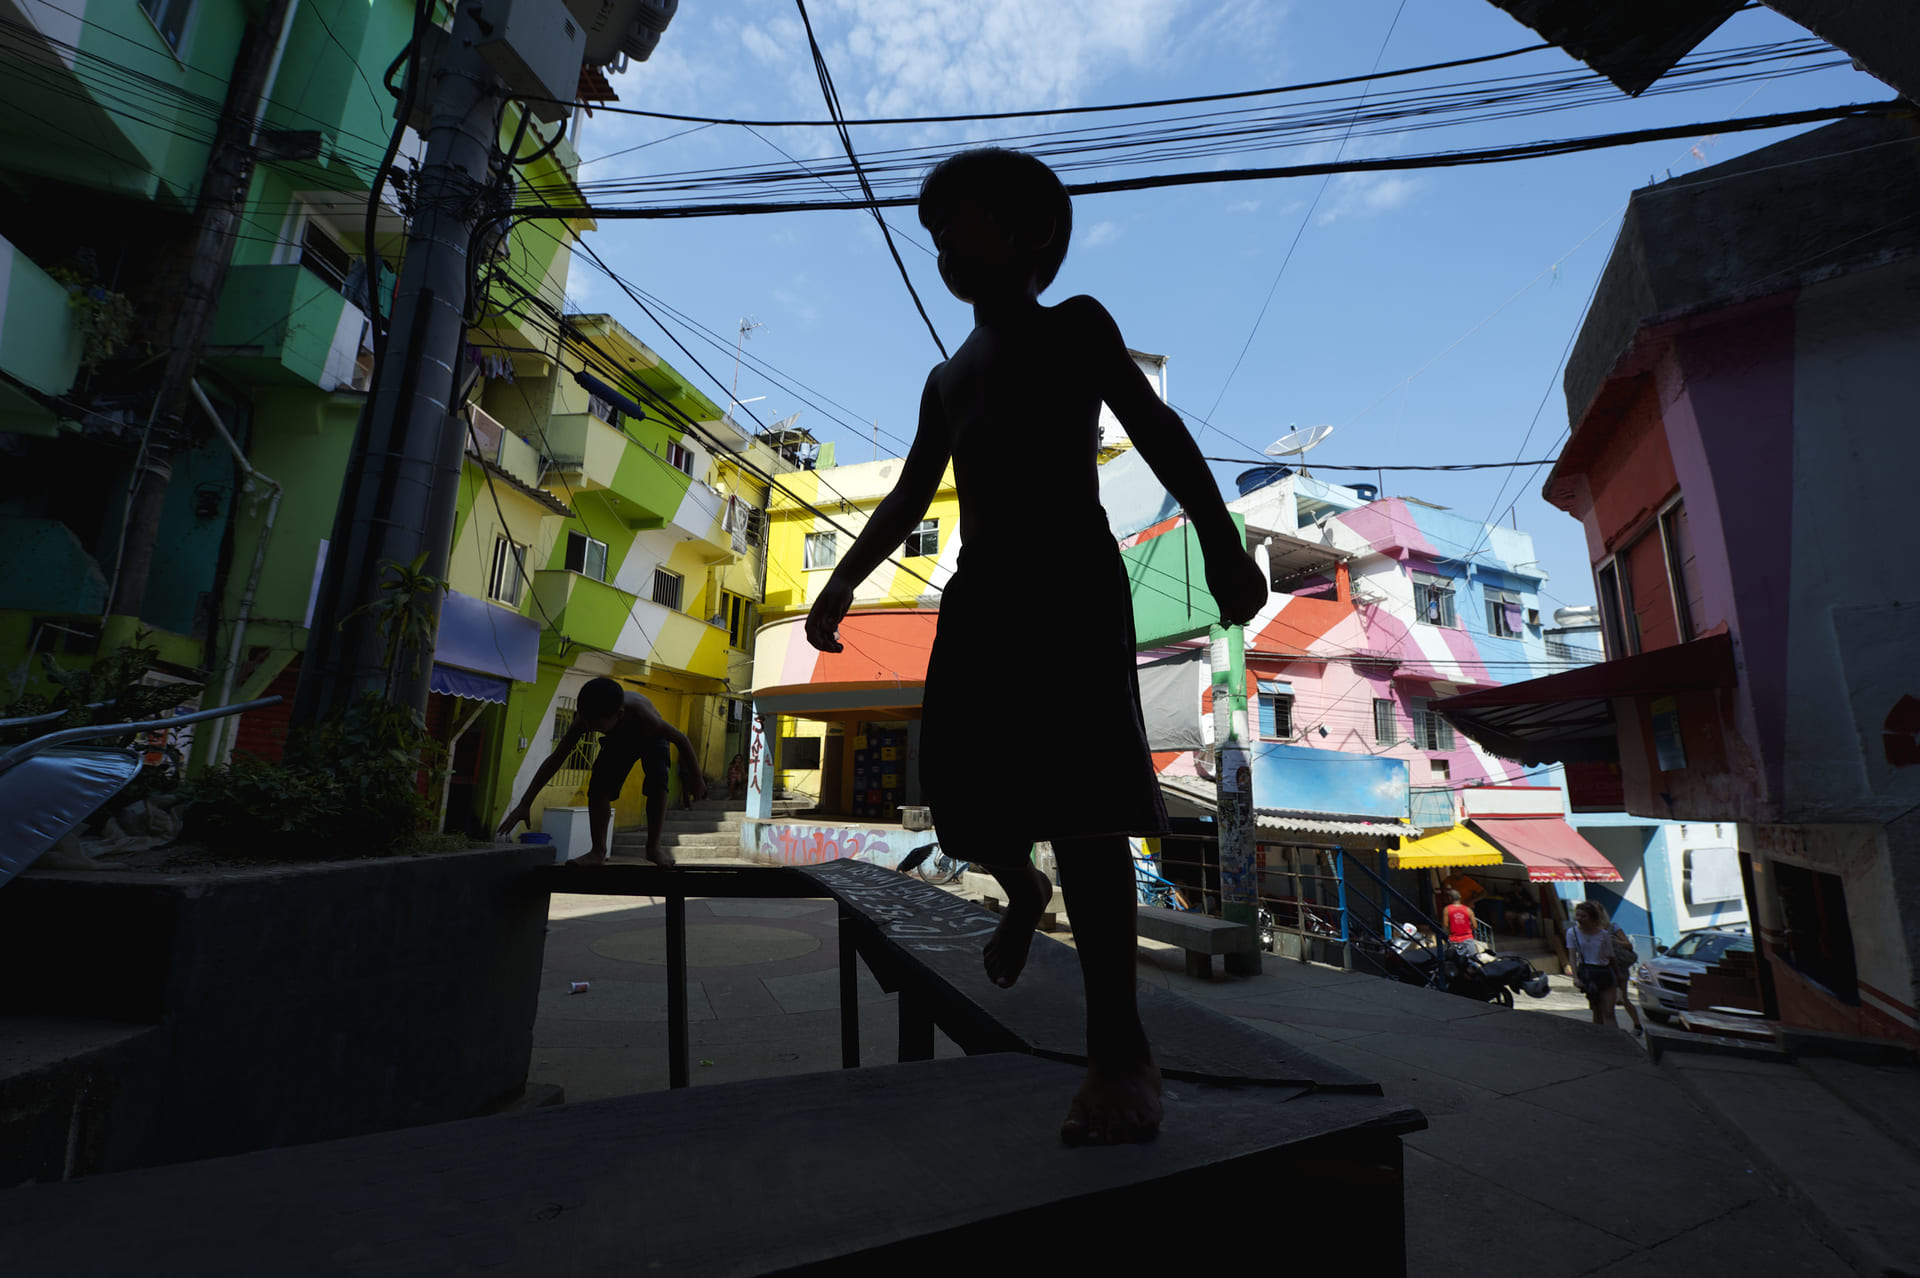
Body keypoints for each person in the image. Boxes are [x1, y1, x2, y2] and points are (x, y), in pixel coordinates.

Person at [804, 148, 1266, 1146]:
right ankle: (1022, 887)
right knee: (963, 798)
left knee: (1087, 808)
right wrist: (843, 578)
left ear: (1023, 235)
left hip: (1068, 584)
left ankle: (1118, 1054)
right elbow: (909, 495)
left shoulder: (1078, 327)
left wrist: (1222, 542)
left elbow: (1159, 430)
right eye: (932, 233)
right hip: (981, 597)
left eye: (957, 223)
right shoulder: (947, 378)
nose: (940, 245)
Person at [496, 678, 705, 866]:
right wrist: (526, 802)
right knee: (598, 788)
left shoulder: (645, 717)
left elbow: (681, 739)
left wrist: (697, 779)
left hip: (651, 739)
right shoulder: (585, 720)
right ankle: (598, 851)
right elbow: (555, 760)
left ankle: (654, 848)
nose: (590, 727)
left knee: (658, 783)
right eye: (587, 722)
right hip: (618, 741)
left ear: (619, 715)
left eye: (596, 725)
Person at [1564, 900, 1624, 1028]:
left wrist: (1618, 974)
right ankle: (1600, 1038)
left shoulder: (1603, 934)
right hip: (1588, 973)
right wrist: (1575, 977)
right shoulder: (1572, 933)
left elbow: (1610, 956)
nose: (1579, 919)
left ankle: (1615, 1038)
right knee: (1596, 1010)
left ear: (1591, 917)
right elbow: (1572, 956)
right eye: (1578, 915)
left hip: (1605, 972)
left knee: (1609, 1011)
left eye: (1583, 916)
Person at [1442, 888, 1478, 956]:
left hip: (1454, 940)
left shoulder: (1447, 909)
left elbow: (1445, 925)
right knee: (1473, 961)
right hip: (1468, 939)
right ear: (1460, 897)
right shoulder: (1468, 909)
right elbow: (1475, 926)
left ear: (1449, 898)